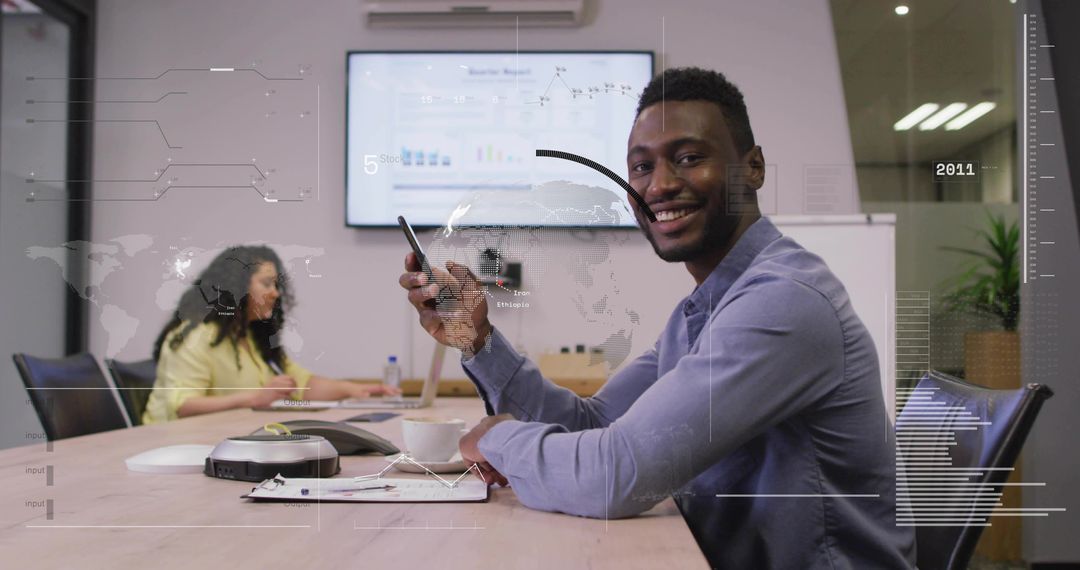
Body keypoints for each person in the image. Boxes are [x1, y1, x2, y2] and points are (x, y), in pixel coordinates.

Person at [399, 67, 915, 568]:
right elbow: (596, 423)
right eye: (642, 167)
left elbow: (617, 474)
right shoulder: (710, 306)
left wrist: (494, 436)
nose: (660, 185)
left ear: (753, 167)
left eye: (689, 158)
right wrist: (478, 338)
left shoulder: (783, 301)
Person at [143, 245, 397, 424]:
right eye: (266, 284)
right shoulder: (195, 337)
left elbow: (301, 383)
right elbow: (183, 405)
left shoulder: (254, 338)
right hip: (170, 448)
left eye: (276, 284)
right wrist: (256, 397)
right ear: (236, 288)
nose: (275, 293)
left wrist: (353, 390)